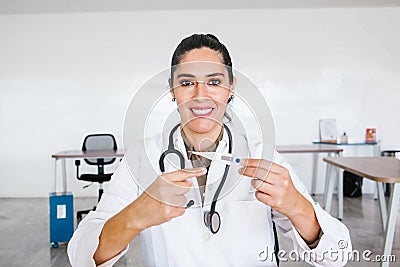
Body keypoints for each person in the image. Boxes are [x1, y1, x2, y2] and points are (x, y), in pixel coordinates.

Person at [68, 34, 351, 267]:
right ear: (172, 90)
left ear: (231, 88)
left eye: (214, 82)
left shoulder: (262, 155)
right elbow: (81, 256)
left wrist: (296, 205)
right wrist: (134, 216)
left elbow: (338, 256)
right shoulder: (143, 158)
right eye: (187, 82)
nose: (200, 94)